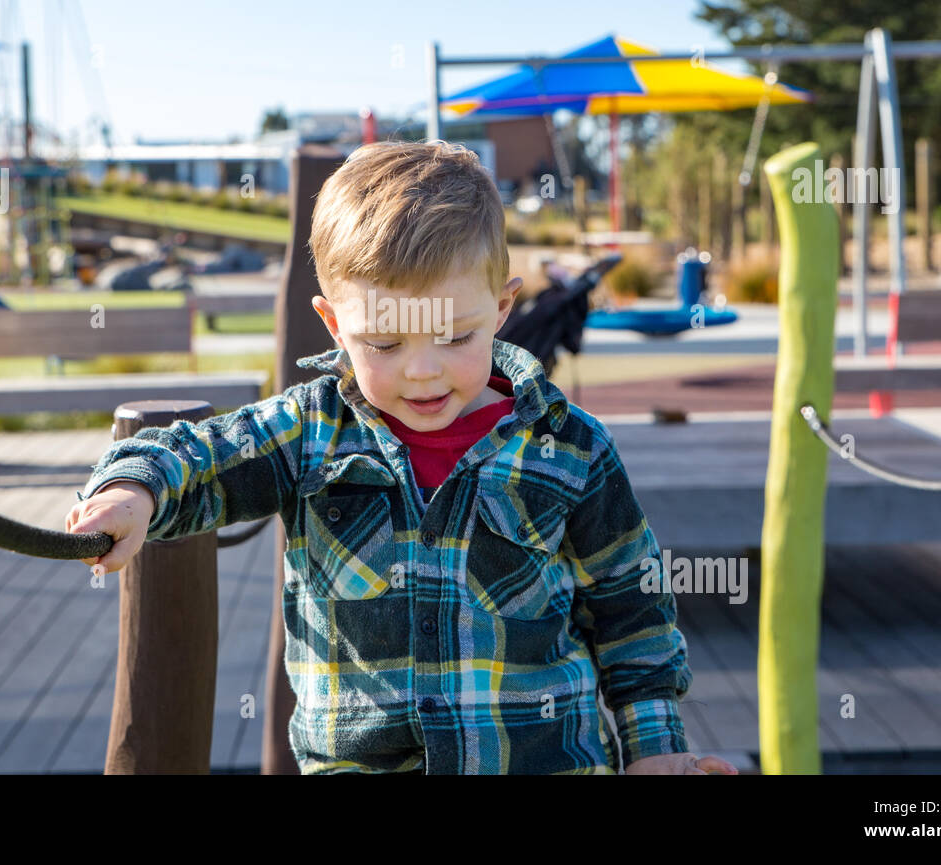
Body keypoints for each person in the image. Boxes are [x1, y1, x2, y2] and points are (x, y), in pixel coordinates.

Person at [63, 140, 734, 776]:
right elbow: (198, 455)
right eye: (383, 342)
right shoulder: (309, 431)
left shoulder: (570, 448)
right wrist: (135, 488)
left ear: (501, 308)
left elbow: (631, 608)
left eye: (453, 335)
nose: (421, 371)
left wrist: (654, 747)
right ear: (334, 324)